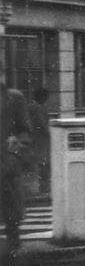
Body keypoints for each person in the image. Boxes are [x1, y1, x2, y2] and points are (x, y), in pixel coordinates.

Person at [2, 86, 32, 256]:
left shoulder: (14, 98)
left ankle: (13, 242)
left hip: (7, 160)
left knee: (11, 205)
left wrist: (17, 147)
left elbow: (25, 131)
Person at [27, 87, 50, 193]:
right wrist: (50, 133)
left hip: (34, 137)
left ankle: (42, 185)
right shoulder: (39, 107)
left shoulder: (31, 106)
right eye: (45, 96)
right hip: (41, 139)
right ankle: (44, 187)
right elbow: (42, 124)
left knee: (39, 162)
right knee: (44, 163)